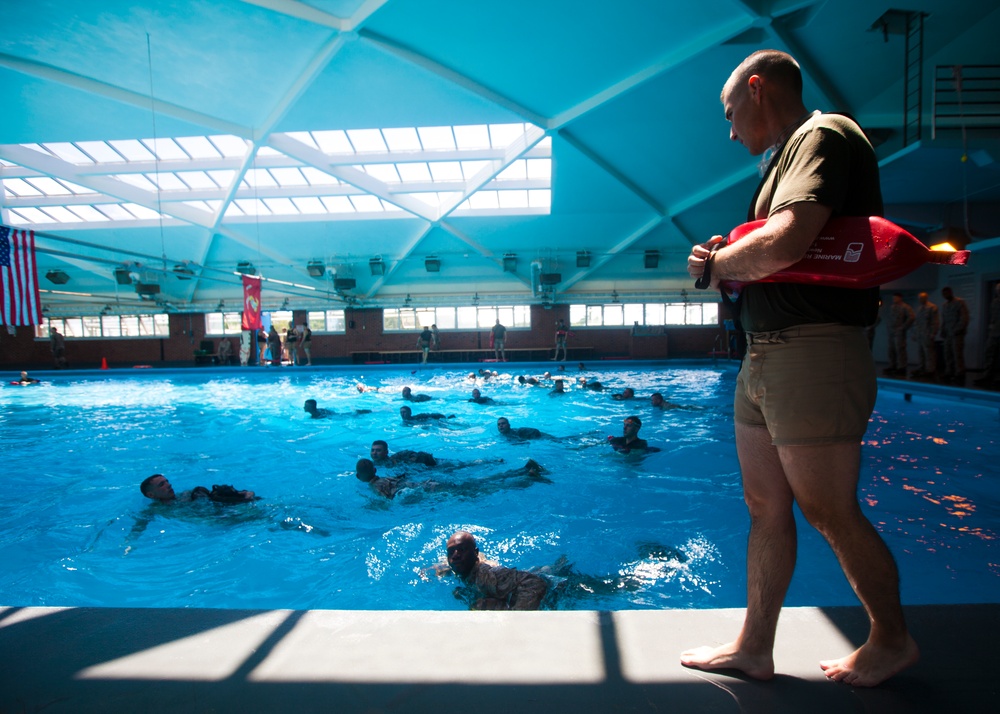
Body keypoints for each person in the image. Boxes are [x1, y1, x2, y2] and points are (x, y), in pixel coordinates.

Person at [684, 50, 916, 686]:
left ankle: (891, 640)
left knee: (829, 510)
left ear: (757, 90)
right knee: (764, 506)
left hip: (813, 348)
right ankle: (754, 646)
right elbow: (766, 245)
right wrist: (730, 255)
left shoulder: (823, 135)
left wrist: (714, 265)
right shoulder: (778, 161)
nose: (730, 130)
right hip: (762, 354)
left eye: (731, 112)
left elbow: (786, 241)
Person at [444, 531, 548, 610]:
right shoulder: (462, 568)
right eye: (451, 552)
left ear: (475, 553)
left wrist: (516, 618)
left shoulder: (487, 576)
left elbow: (533, 583)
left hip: (552, 585)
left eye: (462, 550)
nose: (455, 556)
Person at [140, 474, 255, 503]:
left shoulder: (187, 494)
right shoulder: (157, 509)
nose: (169, 485)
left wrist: (241, 494)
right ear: (151, 495)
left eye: (167, 482)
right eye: (162, 485)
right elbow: (140, 525)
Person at [940, 286, 970, 385]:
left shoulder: (959, 302)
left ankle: (960, 372)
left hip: (957, 334)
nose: (945, 296)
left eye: (947, 293)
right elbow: (944, 320)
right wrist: (943, 330)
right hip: (948, 333)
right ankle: (949, 371)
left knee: (957, 354)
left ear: (951, 292)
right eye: (944, 294)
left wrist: (957, 329)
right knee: (947, 353)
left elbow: (964, 318)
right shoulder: (945, 305)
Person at [974, 283, 1000, 387]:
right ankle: (987, 375)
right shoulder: (994, 302)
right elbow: (992, 316)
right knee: (989, 353)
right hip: (994, 332)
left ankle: (997, 377)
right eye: (998, 290)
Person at [884, 293, 914, 377]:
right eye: (893, 298)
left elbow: (911, 317)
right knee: (891, 349)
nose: (894, 300)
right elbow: (890, 318)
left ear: (900, 298)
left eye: (896, 298)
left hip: (899, 332)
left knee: (900, 349)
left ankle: (902, 367)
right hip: (892, 331)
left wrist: (903, 327)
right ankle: (892, 365)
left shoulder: (905, 307)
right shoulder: (892, 307)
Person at [911, 292, 939, 379]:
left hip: (927, 334)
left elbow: (935, 322)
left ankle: (930, 370)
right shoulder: (919, 309)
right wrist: (915, 333)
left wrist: (932, 333)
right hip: (920, 334)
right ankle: (921, 368)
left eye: (922, 298)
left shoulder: (932, 307)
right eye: (919, 298)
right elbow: (916, 322)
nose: (920, 300)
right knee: (921, 353)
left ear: (926, 298)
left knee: (929, 353)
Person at [369, 439, 437, 467]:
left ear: (386, 452)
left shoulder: (395, 459)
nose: (374, 453)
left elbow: (409, 453)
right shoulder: (372, 465)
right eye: (372, 450)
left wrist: (413, 458)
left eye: (378, 450)